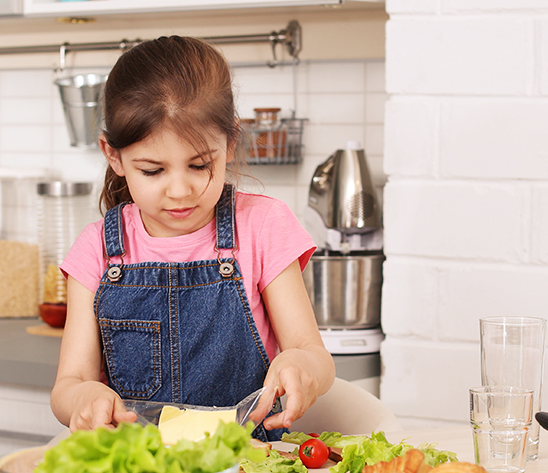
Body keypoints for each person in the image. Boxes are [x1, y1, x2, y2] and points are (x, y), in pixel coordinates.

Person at [50, 36, 335, 437]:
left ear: (230, 143)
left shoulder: (262, 226)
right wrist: (83, 398)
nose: (180, 191)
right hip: (140, 472)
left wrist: (303, 367)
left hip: (247, 468)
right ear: (113, 155)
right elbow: (69, 384)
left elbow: (315, 356)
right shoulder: (96, 248)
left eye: (200, 165)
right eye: (153, 171)